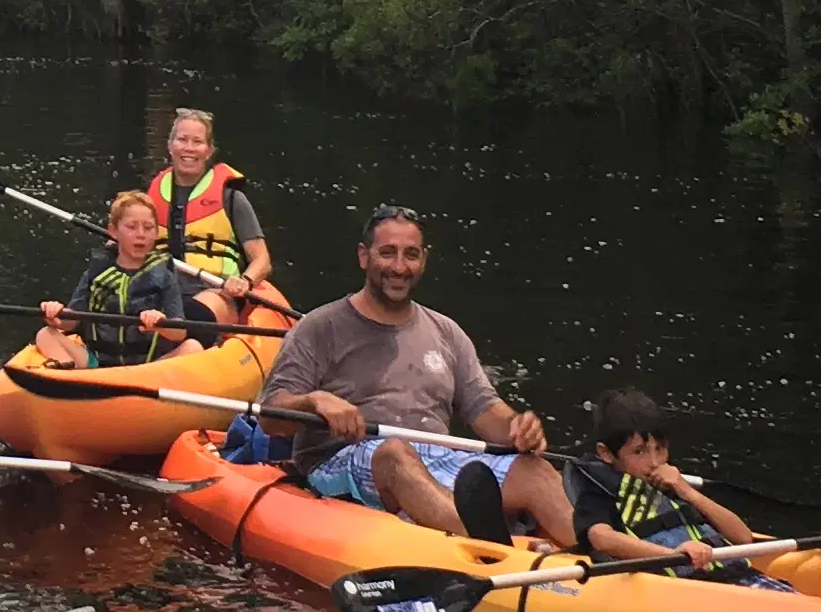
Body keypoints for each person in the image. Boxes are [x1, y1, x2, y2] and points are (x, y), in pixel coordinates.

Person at [256, 206, 576, 543]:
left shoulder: (447, 332)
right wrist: (314, 402)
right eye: (387, 253)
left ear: (423, 260)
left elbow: (484, 410)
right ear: (364, 257)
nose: (399, 267)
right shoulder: (319, 327)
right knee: (395, 453)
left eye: (410, 255)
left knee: (534, 470)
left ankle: (605, 558)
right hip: (344, 459)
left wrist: (517, 430)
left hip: (435, 458)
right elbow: (271, 417)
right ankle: (487, 545)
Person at [548, 388, 776, 577]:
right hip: (687, 590)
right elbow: (601, 538)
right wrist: (672, 553)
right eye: (640, 452)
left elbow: (743, 537)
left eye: (660, 449)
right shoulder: (599, 493)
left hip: (737, 578)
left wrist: (687, 491)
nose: (654, 462)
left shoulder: (674, 488)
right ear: (606, 454)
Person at [26, 189, 228, 366]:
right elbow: (73, 322)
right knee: (45, 334)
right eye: (131, 227)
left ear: (156, 233)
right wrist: (57, 314)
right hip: (97, 363)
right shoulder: (96, 272)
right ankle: (65, 374)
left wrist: (161, 322)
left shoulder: (164, 276)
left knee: (192, 346)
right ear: (114, 231)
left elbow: (179, 333)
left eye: (148, 228)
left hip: (148, 366)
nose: (141, 234)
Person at [144, 107, 275, 295]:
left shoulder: (231, 199)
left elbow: (262, 260)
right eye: (182, 139)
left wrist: (244, 281)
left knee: (193, 311)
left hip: (216, 291)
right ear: (170, 146)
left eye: (197, 141)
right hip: (162, 288)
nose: (188, 148)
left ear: (209, 151)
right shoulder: (149, 199)